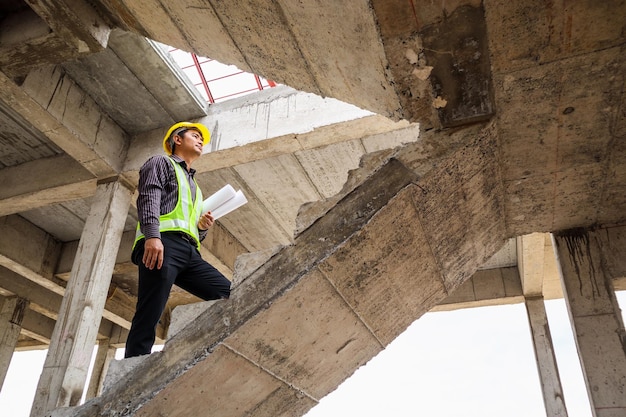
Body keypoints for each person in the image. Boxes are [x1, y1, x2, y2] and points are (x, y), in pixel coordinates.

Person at [125, 121, 231, 358]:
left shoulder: (195, 186)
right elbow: (148, 198)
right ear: (177, 139)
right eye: (195, 135)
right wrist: (152, 236)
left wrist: (202, 228)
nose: (201, 140)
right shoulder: (160, 162)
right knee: (149, 312)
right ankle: (131, 368)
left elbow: (188, 225)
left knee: (230, 293)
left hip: (189, 252)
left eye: (201, 138)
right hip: (161, 245)